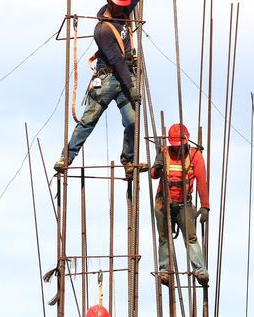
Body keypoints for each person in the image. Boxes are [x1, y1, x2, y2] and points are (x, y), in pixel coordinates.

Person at [55, 0, 141, 173]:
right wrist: (131, 87)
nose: (121, 8)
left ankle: (128, 160)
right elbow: (117, 60)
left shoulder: (123, 11)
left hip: (126, 76)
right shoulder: (102, 30)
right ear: (109, 3)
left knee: (132, 122)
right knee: (89, 120)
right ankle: (66, 157)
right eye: (118, 5)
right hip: (109, 78)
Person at [150, 123, 210, 286]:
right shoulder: (165, 153)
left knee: (191, 238)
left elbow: (202, 182)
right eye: (175, 146)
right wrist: (158, 165)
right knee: (164, 238)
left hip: (184, 204)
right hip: (164, 203)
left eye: (180, 145)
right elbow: (153, 175)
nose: (178, 149)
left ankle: (200, 270)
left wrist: (205, 206)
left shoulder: (195, 155)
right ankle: (164, 271)